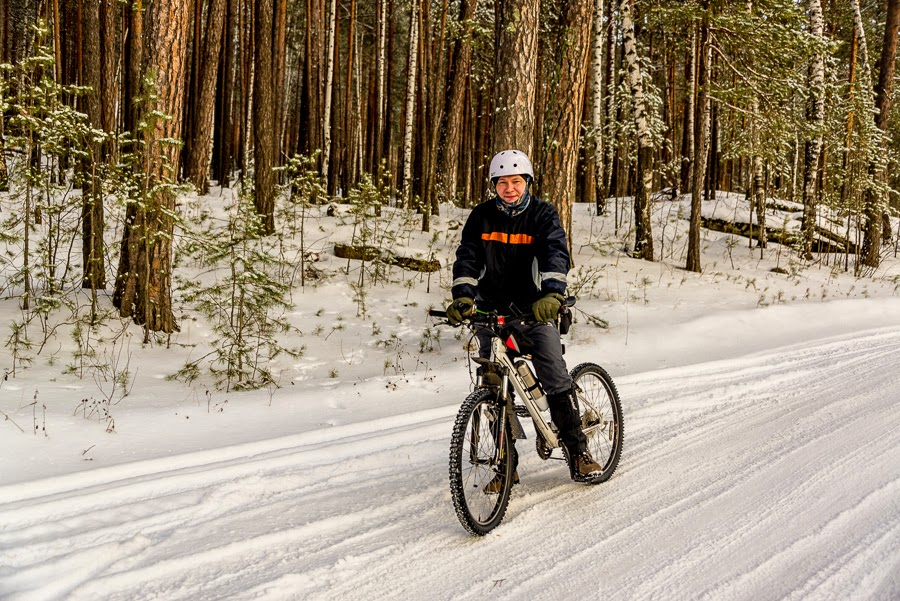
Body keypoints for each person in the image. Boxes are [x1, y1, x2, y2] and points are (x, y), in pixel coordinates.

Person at [445, 149, 602, 485]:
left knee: (555, 378)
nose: (510, 188)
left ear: (527, 182)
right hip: (490, 311)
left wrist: (552, 294)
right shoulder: (482, 217)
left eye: (516, 181)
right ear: (494, 185)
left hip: (534, 309)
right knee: (492, 385)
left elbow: (554, 253)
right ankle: (506, 465)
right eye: (503, 182)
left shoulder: (542, 214)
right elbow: (468, 258)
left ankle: (578, 452)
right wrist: (463, 297)